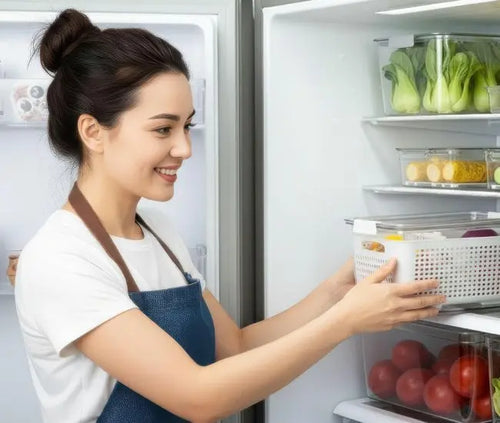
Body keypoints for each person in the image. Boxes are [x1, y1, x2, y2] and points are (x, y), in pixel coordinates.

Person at [14, 9, 446, 423]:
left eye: (187, 126)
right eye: (163, 129)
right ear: (93, 132)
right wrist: (344, 323)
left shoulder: (157, 232)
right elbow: (198, 397)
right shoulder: (61, 259)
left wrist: (334, 294)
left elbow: (235, 347)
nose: (183, 148)